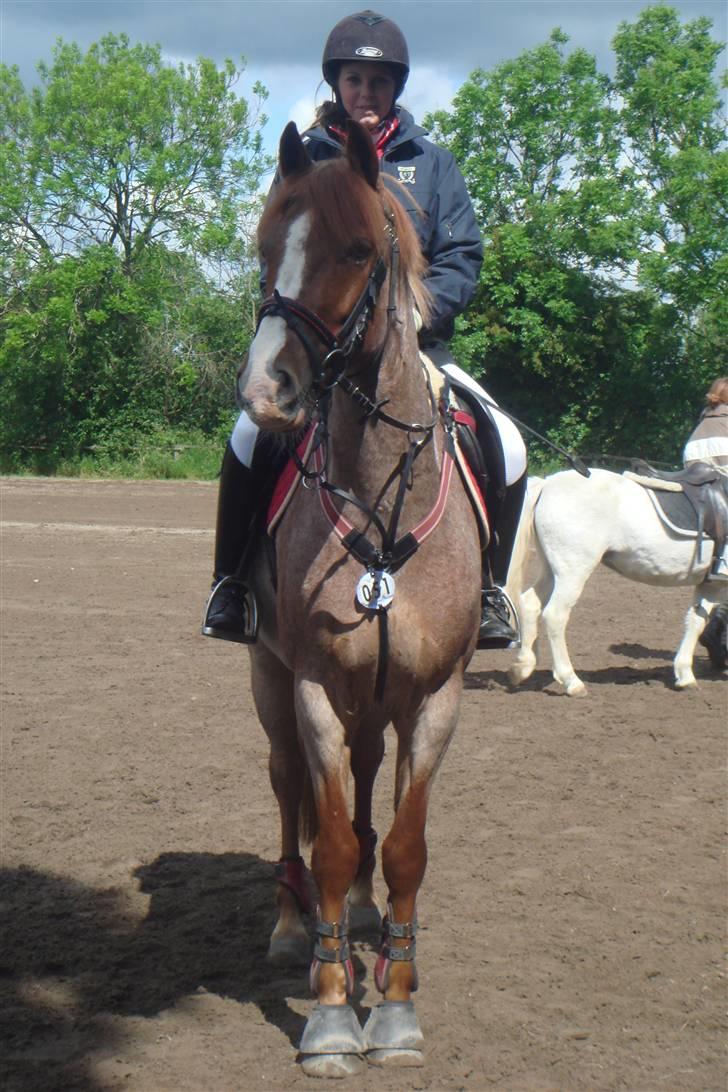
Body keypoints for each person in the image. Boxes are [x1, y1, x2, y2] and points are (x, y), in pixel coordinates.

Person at [202, 9, 528, 649]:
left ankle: (489, 591)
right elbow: (283, 255)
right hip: (326, 356)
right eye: (354, 79)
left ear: (396, 88)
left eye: (379, 81)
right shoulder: (308, 159)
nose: (366, 92)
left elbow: (463, 256)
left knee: (509, 444)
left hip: (419, 350)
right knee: (247, 436)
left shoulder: (431, 164)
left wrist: (416, 312)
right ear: (337, 85)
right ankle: (232, 584)